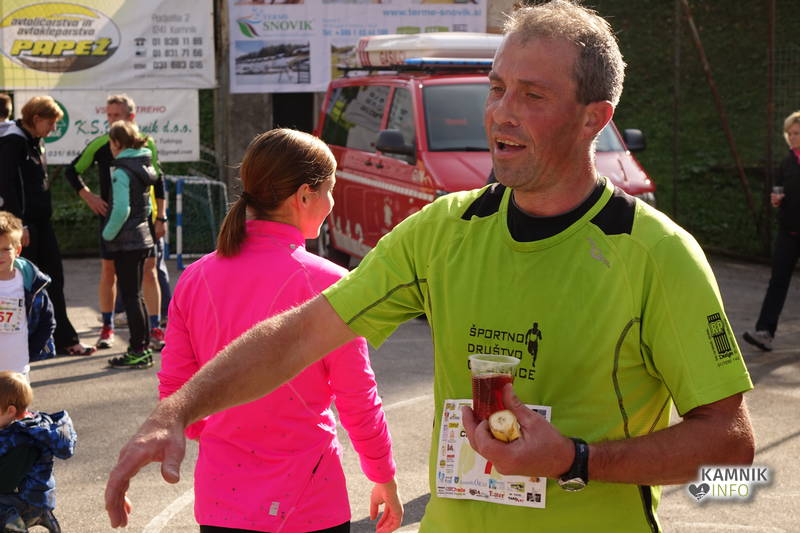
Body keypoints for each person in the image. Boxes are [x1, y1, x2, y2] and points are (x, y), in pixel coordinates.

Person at [106, 2, 755, 531]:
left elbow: (730, 442)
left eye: (531, 94)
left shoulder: (656, 254)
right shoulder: (444, 229)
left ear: (594, 119)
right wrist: (177, 410)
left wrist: (576, 459)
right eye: (496, 88)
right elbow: (300, 335)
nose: (500, 111)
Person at [157, 128, 400, 532]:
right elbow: (357, 397)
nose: (332, 203)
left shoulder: (194, 278)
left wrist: (224, 431)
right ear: (304, 196)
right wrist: (383, 474)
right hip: (309, 498)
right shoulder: (333, 284)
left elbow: (176, 390)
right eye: (330, 190)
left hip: (221, 497)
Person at [65, 93, 170, 352]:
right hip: (113, 220)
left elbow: (159, 180)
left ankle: (154, 328)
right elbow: (72, 171)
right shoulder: (102, 143)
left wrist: (161, 216)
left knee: (150, 271)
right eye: (109, 115)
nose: (112, 120)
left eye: (117, 115)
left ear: (131, 117)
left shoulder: (146, 144)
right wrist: (89, 197)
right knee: (108, 271)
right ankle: (107, 326)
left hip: (143, 219)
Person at [0, 95, 95, 356]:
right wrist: (20, 226)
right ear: (36, 118)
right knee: (23, 284)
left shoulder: (36, 143)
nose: (53, 129)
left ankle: (65, 339)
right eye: (51, 123)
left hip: (43, 225)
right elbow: (7, 186)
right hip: (23, 229)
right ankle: (20, 343)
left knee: (53, 279)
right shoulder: (13, 142)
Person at [103, 121, 160, 369]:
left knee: (130, 297)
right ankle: (142, 348)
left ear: (116, 143)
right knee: (136, 296)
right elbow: (144, 207)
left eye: (110, 142)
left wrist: (107, 234)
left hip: (126, 242)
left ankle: (137, 349)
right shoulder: (143, 165)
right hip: (143, 237)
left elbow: (121, 210)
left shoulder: (121, 171)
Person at [743, 110, 800, 352]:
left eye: (796, 133)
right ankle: (764, 332)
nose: (792, 137)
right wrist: (777, 199)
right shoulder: (787, 162)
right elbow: (778, 189)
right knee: (777, 281)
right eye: (789, 133)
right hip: (789, 233)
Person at [0, 371, 76, 533]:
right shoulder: (34, 427)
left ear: (10, 411)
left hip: (26, 502)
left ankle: (13, 524)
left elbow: (5, 482)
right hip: (41, 498)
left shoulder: (20, 439)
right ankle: (45, 517)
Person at [0, 211, 56, 378]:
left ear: (18, 250)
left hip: (18, 370)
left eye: (5, 249)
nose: (0, 255)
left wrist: (30, 353)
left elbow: (47, 321)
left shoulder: (32, 283)